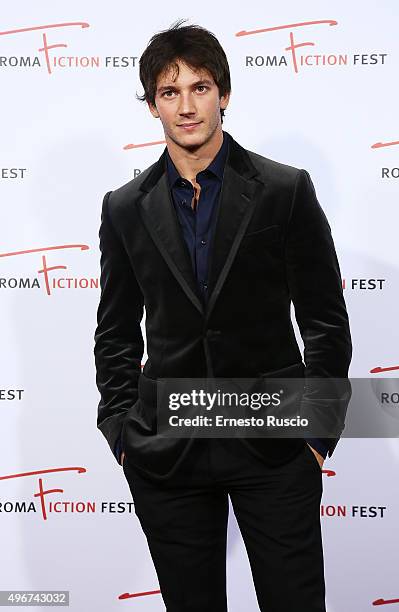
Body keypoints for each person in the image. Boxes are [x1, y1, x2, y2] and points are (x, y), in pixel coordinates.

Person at [94, 18, 352, 612]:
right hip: (169, 450)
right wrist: (123, 432)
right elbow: (114, 331)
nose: (187, 105)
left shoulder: (283, 190)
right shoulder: (125, 208)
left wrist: (317, 435)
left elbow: (325, 321)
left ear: (224, 94)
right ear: (153, 104)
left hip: (276, 443)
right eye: (170, 91)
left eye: (200, 87)